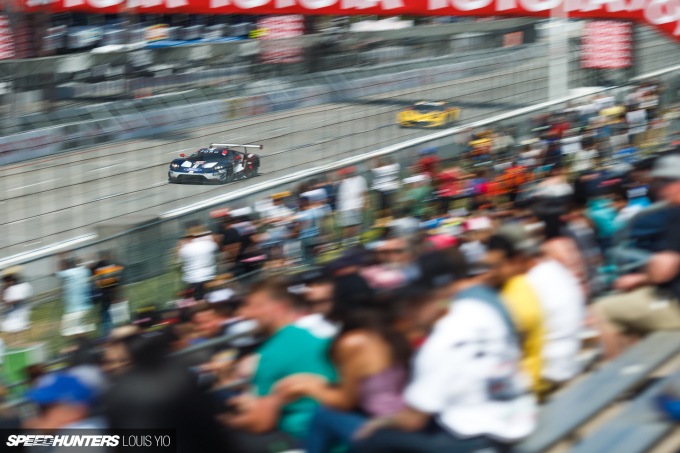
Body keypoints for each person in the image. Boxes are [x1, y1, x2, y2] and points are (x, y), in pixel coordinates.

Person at [352, 250, 536, 453]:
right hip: (521, 418)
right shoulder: (480, 308)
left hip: (485, 437)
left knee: (371, 441)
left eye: (414, 303)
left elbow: (414, 420)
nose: (407, 312)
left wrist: (379, 423)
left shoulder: (439, 343)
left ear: (438, 298)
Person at [276, 273, 411, 453]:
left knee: (323, 414)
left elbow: (346, 401)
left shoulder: (354, 341)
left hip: (385, 428)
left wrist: (309, 388)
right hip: (403, 420)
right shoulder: (389, 330)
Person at [222, 277, 336, 449]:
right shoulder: (311, 335)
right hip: (331, 431)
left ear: (279, 308)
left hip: (304, 438)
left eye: (257, 306)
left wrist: (223, 422)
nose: (248, 314)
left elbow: (261, 422)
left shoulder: (270, 353)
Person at [593, 154, 680, 358]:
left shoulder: (675, 215)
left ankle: (619, 384)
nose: (659, 188)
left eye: (663, 182)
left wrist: (640, 277)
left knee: (602, 310)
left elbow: (663, 270)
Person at [483, 232, 545, 396]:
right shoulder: (517, 286)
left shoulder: (516, 301)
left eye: (497, 266)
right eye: (488, 267)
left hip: (523, 389)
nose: (490, 274)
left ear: (514, 261)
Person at [177, 222, 219, 302]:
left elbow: (179, 260)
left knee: (198, 302)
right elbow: (217, 249)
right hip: (210, 277)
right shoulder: (210, 244)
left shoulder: (185, 248)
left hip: (193, 279)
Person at [55, 257, 95, 337]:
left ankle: (81, 347)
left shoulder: (70, 273)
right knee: (82, 331)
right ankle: (85, 346)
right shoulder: (85, 271)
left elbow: (56, 273)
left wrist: (56, 257)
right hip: (86, 306)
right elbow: (88, 267)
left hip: (74, 310)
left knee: (67, 333)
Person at [91, 251, 124, 335]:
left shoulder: (97, 267)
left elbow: (96, 282)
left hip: (103, 295)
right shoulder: (114, 265)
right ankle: (115, 334)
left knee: (105, 317)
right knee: (114, 317)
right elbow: (118, 281)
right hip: (113, 295)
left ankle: (106, 335)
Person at [336, 167, 368, 244]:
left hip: (356, 206)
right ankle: (347, 242)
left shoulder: (360, 179)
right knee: (347, 226)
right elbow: (341, 196)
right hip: (346, 207)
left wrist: (365, 203)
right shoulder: (344, 182)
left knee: (356, 224)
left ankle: (354, 241)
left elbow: (364, 192)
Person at [1, 271, 33, 340]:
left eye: (7, 280)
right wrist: (4, 288)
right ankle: (15, 343)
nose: (7, 282)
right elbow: (4, 300)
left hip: (20, 311)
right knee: (12, 328)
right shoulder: (8, 289)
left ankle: (21, 341)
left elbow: (18, 300)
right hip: (12, 312)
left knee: (20, 327)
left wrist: (10, 301)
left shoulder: (20, 287)